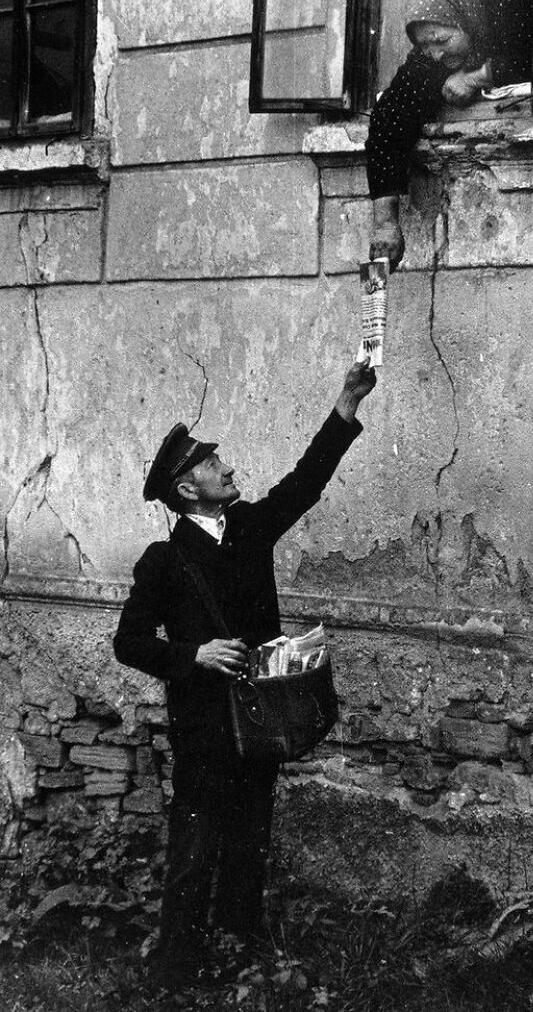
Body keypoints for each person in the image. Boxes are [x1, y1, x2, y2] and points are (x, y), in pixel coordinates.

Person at [113, 358, 376, 990]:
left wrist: (346, 404)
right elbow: (127, 642)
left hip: (260, 722)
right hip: (204, 731)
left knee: (250, 842)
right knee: (194, 853)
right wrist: (192, 656)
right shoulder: (164, 561)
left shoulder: (251, 530)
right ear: (186, 489)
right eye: (211, 463)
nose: (226, 468)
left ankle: (239, 955)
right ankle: (175, 976)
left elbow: (305, 483)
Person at [367, 0, 503, 273]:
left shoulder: (502, 9)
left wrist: (475, 78)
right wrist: (386, 223)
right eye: (426, 45)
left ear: (465, 19)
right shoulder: (428, 59)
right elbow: (388, 117)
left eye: (443, 40)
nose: (437, 54)